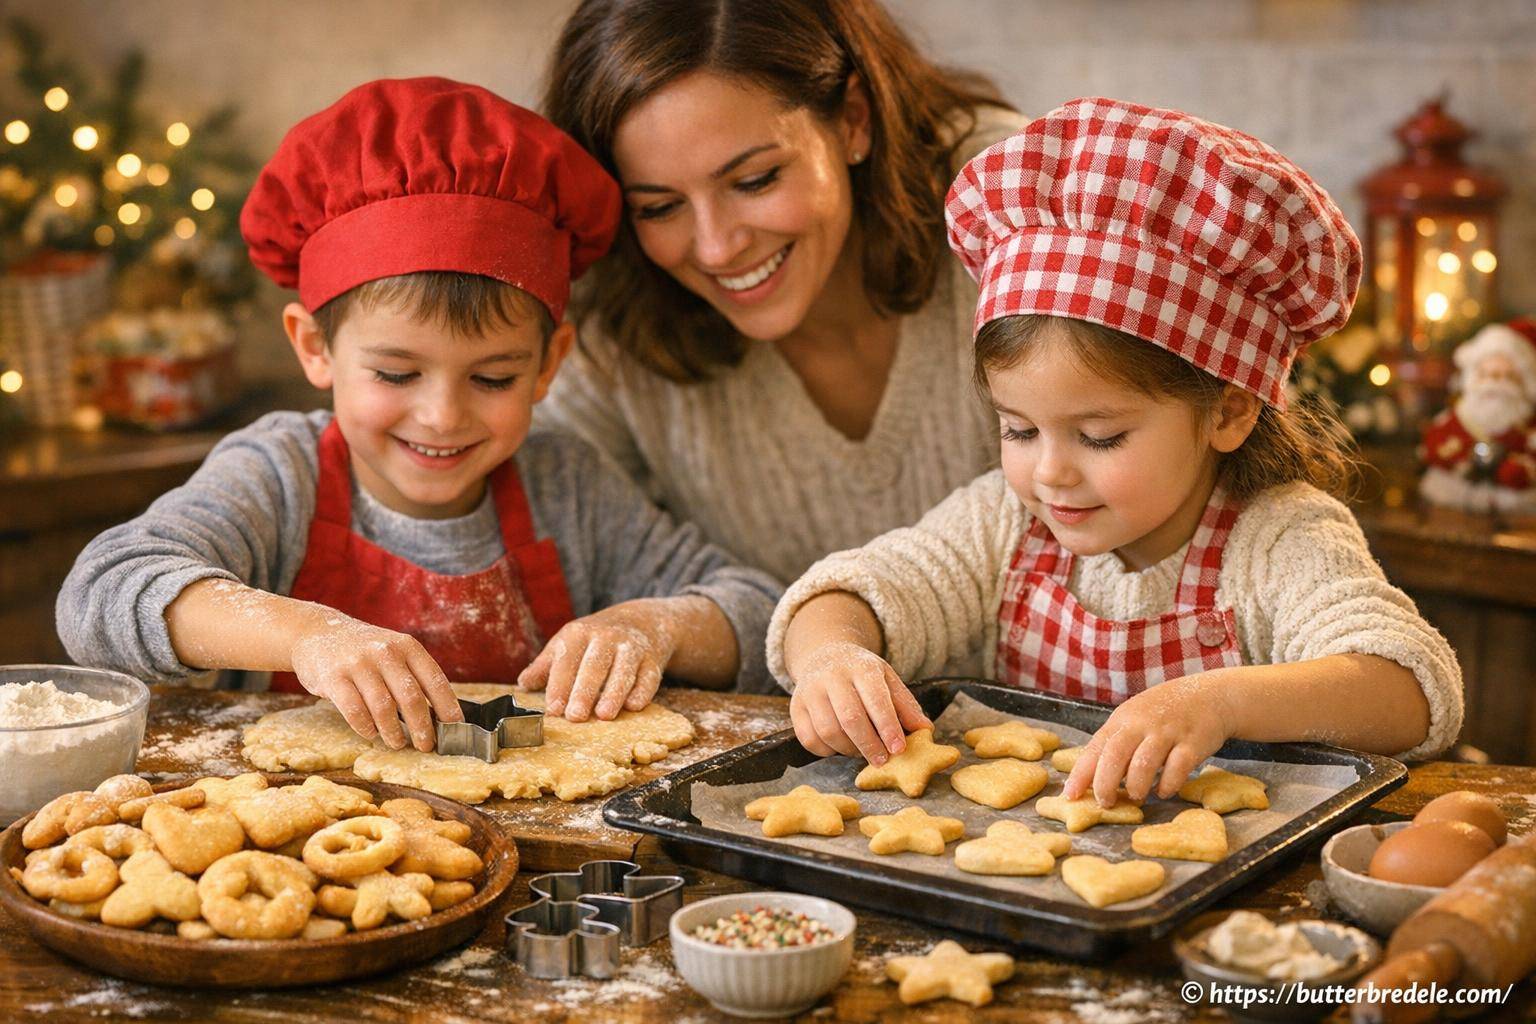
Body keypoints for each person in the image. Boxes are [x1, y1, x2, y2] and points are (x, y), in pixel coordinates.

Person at [770, 98, 1464, 807]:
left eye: (1099, 436)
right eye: (1018, 430)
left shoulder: (1280, 538)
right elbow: (854, 589)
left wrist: (1215, 702)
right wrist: (832, 655)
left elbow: (1409, 687)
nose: (1050, 473)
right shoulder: (1003, 523)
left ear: (1228, 411)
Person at [56, 78, 781, 751]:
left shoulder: (569, 489)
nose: (441, 415)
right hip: (309, 831)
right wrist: (307, 634)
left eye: (493, 377)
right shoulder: (279, 477)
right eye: (397, 373)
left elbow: (755, 611)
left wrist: (651, 625)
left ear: (548, 363)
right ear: (314, 347)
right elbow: (100, 596)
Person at [538, 0, 1026, 601]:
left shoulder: (1013, 204)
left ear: (852, 120)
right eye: (659, 208)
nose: (717, 248)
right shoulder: (610, 308)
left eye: (754, 180)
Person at [1419, 319, 1536, 515]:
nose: (1494, 384)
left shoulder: (1527, 426)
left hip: (1517, 513)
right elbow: (1434, 445)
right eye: (1487, 374)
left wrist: (1517, 472)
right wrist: (1463, 462)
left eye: (1507, 376)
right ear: (1473, 377)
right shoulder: (1459, 417)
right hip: (1453, 504)